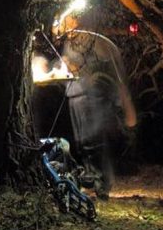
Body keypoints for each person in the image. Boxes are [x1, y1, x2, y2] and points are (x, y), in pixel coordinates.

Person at [56, 13, 137, 200]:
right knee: (82, 141)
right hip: (76, 95)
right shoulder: (70, 43)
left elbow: (112, 75)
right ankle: (90, 181)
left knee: (93, 140)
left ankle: (101, 185)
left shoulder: (96, 42)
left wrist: (126, 104)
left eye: (65, 21)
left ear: (75, 21)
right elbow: (71, 69)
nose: (61, 26)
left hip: (94, 96)